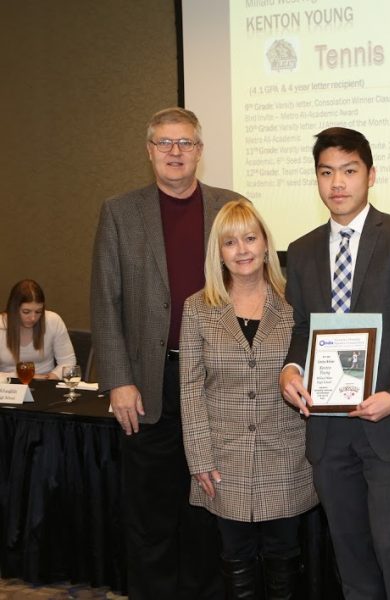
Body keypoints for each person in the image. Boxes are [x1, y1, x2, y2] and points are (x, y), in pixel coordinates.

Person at [279, 127, 390, 600]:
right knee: (350, 553)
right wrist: (291, 370)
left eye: (349, 171)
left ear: (371, 175)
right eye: (326, 172)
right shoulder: (304, 249)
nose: (338, 184)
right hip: (329, 432)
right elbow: (301, 331)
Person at [90, 107, 241, 599]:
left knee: (207, 509)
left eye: (185, 143)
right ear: (149, 150)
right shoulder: (119, 211)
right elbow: (105, 299)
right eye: (164, 143)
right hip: (148, 385)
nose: (175, 152)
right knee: (151, 516)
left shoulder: (230, 206)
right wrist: (118, 379)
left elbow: (252, 286)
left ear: (200, 150)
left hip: (216, 384)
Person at [180, 199, 318, 599]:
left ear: (265, 244)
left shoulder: (295, 305)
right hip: (224, 459)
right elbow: (189, 389)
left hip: (287, 456)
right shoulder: (198, 310)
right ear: (218, 252)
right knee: (235, 554)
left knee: (284, 555)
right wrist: (199, 459)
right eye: (230, 242)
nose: (242, 250)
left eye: (250, 238)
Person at [0, 279, 75, 380]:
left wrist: (52, 376)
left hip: (45, 383)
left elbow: (68, 362)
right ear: (13, 308)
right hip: (8, 387)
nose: (33, 318)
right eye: (26, 312)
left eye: (38, 312)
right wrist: (21, 377)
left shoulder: (53, 321)